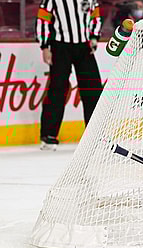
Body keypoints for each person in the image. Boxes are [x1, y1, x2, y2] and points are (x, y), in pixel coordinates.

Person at [35, 0, 104, 150]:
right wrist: (45, 46)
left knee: (93, 91)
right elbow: (42, 20)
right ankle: (49, 135)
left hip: (84, 47)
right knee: (57, 89)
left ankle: (96, 135)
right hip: (60, 46)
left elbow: (96, 16)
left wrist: (94, 37)